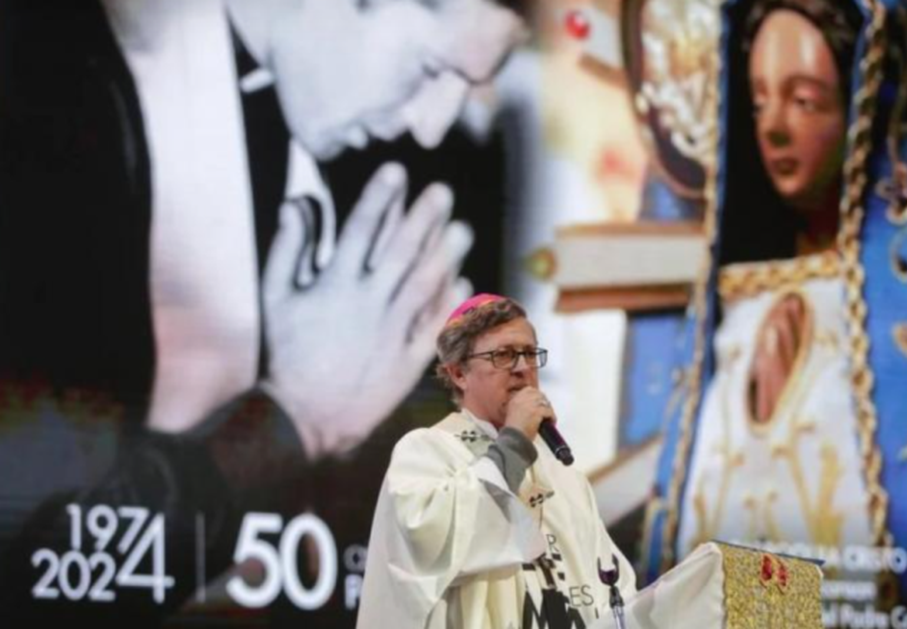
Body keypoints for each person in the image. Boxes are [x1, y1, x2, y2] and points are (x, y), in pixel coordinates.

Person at [0, 0, 525, 622]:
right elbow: (39, 580)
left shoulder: (346, 139)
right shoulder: (55, 119)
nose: (431, 128)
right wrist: (292, 419)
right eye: (432, 68)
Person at [631, 0, 907, 609]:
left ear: (864, 104)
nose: (772, 127)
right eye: (759, 101)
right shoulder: (735, 309)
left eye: (804, 100)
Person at [357, 294, 637, 628]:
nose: (522, 368)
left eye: (530, 354)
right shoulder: (428, 451)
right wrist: (515, 444)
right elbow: (434, 543)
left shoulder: (566, 477)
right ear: (459, 373)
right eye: (503, 355)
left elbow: (614, 589)